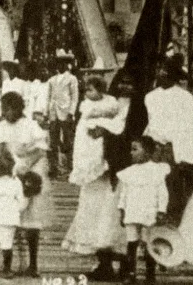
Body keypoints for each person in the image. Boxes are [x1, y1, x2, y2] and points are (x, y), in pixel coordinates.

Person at [62, 75, 131, 281]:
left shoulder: (124, 106)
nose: (125, 86)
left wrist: (106, 132)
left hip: (114, 166)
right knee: (95, 211)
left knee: (113, 213)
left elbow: (123, 131)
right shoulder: (106, 104)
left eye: (130, 83)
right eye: (123, 83)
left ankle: (124, 264)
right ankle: (103, 262)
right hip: (92, 165)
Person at [0, 91, 50, 278]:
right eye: (4, 109)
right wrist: (6, 166)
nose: (7, 113)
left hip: (32, 170)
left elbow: (40, 150)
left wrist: (25, 168)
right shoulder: (1, 127)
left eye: (11, 109)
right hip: (11, 172)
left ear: (19, 109)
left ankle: (33, 263)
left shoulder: (30, 126)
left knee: (32, 220)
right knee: (8, 218)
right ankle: (9, 261)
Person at [143, 55, 193, 225]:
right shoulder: (150, 97)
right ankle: (151, 217)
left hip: (173, 148)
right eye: (159, 70)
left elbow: (191, 128)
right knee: (152, 184)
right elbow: (151, 122)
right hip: (154, 146)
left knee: (171, 184)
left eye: (166, 71)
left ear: (174, 75)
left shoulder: (185, 98)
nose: (161, 74)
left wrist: (186, 155)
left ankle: (171, 219)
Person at [117, 136, 169, 284]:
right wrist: (122, 209)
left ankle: (150, 274)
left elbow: (163, 193)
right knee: (131, 243)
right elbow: (124, 193)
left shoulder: (156, 171)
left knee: (148, 243)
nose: (131, 153)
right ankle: (131, 273)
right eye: (131, 150)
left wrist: (161, 210)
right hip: (132, 211)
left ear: (147, 152)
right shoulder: (129, 172)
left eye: (135, 149)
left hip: (148, 212)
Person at [47, 49, 80, 179]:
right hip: (54, 113)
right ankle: (54, 168)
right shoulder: (52, 80)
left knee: (68, 140)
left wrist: (71, 112)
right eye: (58, 63)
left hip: (66, 112)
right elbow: (49, 97)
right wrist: (46, 112)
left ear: (67, 64)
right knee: (53, 141)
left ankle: (70, 167)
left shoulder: (72, 79)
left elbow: (74, 97)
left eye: (62, 63)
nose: (60, 65)